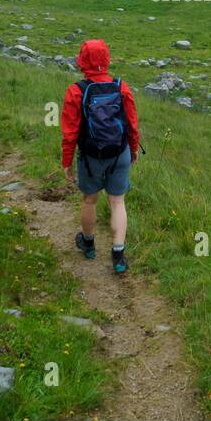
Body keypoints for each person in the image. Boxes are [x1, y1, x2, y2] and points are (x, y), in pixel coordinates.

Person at [61, 39, 139, 274]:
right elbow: (132, 124)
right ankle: (118, 255)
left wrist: (67, 161)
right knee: (117, 202)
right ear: (107, 60)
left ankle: (88, 244)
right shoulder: (121, 87)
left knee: (89, 200)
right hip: (119, 152)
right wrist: (133, 149)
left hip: (91, 156)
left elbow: (70, 132)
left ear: (81, 61)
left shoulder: (76, 91)